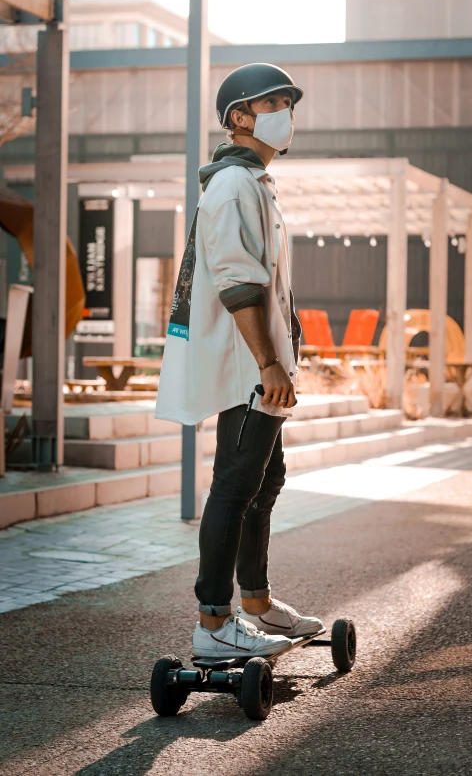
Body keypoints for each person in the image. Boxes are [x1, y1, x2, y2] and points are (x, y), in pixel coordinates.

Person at [155, 63, 322, 659]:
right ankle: (213, 621)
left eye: (289, 103)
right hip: (249, 367)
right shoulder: (231, 187)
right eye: (274, 102)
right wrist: (269, 364)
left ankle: (255, 602)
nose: (287, 114)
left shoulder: (254, 184)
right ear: (239, 118)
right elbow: (237, 283)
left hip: (262, 364)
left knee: (265, 478)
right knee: (235, 484)